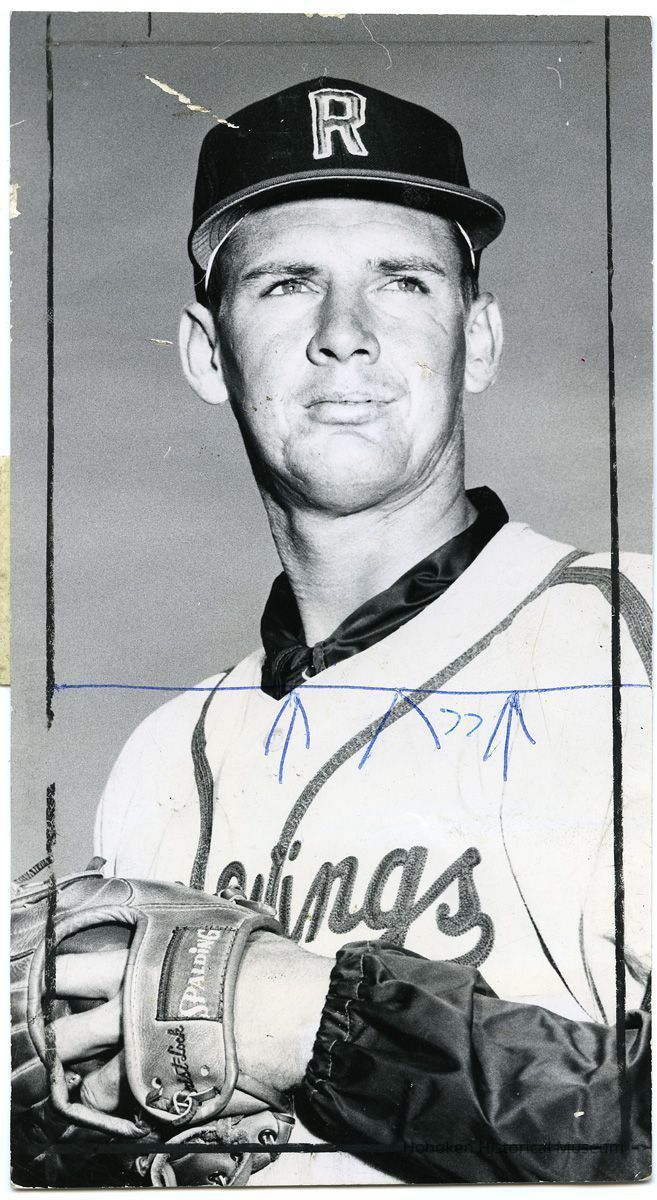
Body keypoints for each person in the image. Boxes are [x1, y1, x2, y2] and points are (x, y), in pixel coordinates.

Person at [51, 78, 651, 1184]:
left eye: (403, 281)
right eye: (287, 284)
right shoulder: (157, 762)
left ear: (478, 338)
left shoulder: (632, 642)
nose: (345, 337)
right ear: (205, 351)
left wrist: (314, 1027)